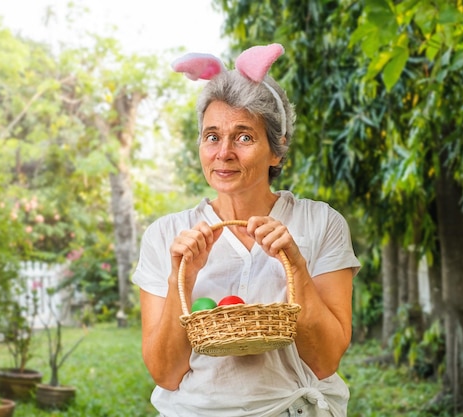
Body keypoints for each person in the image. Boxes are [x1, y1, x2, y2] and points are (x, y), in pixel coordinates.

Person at [132, 43, 361, 417]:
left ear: (276, 150)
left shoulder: (320, 223)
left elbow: (325, 360)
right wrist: (182, 277)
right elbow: (165, 374)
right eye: (211, 136)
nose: (223, 152)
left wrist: (296, 266)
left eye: (243, 136)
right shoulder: (166, 235)